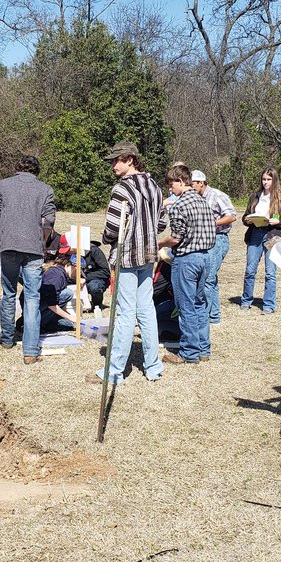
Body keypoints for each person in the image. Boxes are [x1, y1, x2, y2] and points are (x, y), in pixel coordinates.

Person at [88, 141, 166, 386]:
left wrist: (107, 239)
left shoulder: (122, 189)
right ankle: (153, 367)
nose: (113, 165)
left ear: (130, 159)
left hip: (127, 255)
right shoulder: (154, 186)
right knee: (147, 311)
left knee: (124, 313)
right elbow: (162, 222)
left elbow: (112, 227)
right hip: (149, 254)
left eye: (116, 160)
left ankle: (114, 371)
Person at [0, 155, 56, 365]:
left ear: (18, 168)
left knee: (9, 293)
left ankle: (6, 339)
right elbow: (48, 221)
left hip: (9, 247)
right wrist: (42, 240)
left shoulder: (3, 185)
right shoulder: (45, 189)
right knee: (32, 297)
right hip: (34, 249)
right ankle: (31, 351)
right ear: (36, 170)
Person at [159, 164, 215, 365]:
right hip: (206, 257)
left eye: (171, 184)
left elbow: (175, 239)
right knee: (200, 303)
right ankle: (203, 349)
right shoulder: (204, 201)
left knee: (186, 305)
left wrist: (159, 243)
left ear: (181, 182)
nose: (170, 189)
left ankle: (189, 352)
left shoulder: (179, 206)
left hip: (187, 259)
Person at [239, 167, 281, 314]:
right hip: (255, 234)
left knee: (270, 272)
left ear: (274, 180)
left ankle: (269, 305)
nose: (265, 182)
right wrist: (248, 220)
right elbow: (245, 216)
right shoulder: (255, 197)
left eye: (269, 179)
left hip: (272, 236)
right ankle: (246, 300)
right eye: (264, 179)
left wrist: (278, 222)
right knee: (250, 270)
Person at [191, 170, 237, 325]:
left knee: (208, 279)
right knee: (210, 279)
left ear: (201, 183)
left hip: (218, 239)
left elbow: (231, 215)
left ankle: (204, 316)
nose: (191, 187)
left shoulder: (217, 195)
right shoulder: (196, 197)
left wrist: (212, 223)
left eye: (193, 184)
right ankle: (214, 316)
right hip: (204, 240)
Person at [35, 254, 76, 334]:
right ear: (69, 265)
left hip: (43, 305)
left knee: (69, 325)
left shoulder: (60, 273)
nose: (77, 274)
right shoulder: (56, 276)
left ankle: (43, 321)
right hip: (39, 305)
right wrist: (70, 317)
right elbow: (51, 303)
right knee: (68, 293)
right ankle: (37, 322)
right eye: (77, 271)